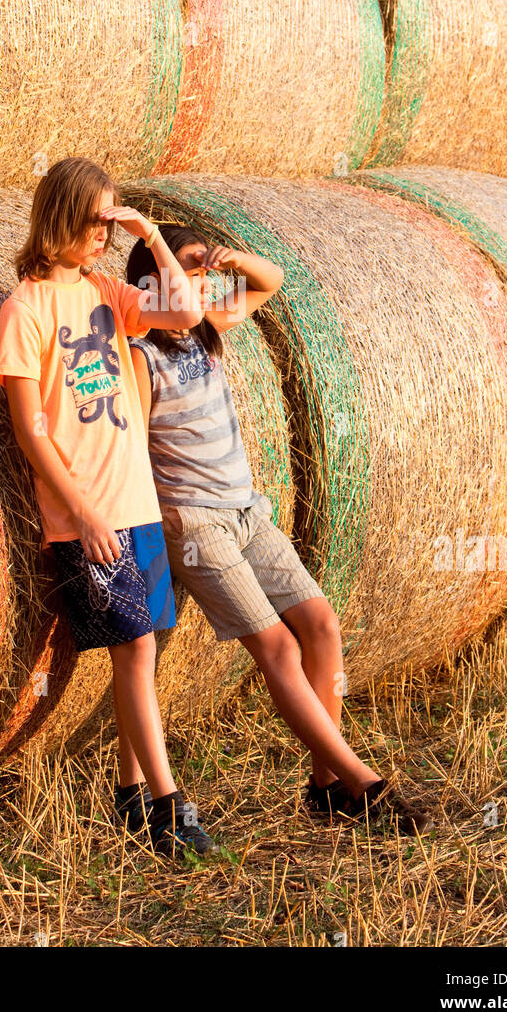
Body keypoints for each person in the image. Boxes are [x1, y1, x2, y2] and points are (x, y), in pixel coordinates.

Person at [126, 222, 433, 834]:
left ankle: (324, 786)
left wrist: (227, 255)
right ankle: (361, 782)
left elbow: (272, 281)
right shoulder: (143, 354)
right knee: (278, 647)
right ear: (154, 282)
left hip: (248, 512)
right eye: (190, 267)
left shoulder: (207, 333)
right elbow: (133, 450)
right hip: (195, 524)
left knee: (320, 625)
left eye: (204, 270)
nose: (206, 279)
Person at [0, 158, 217, 858]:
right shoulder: (25, 308)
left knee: (139, 656)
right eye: (95, 220)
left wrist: (146, 230)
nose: (103, 233)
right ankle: (169, 805)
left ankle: (127, 794)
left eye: (110, 219)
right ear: (59, 216)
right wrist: (84, 516)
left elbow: (186, 313)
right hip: (86, 515)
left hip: (137, 502)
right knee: (137, 648)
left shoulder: (105, 291)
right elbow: (30, 430)